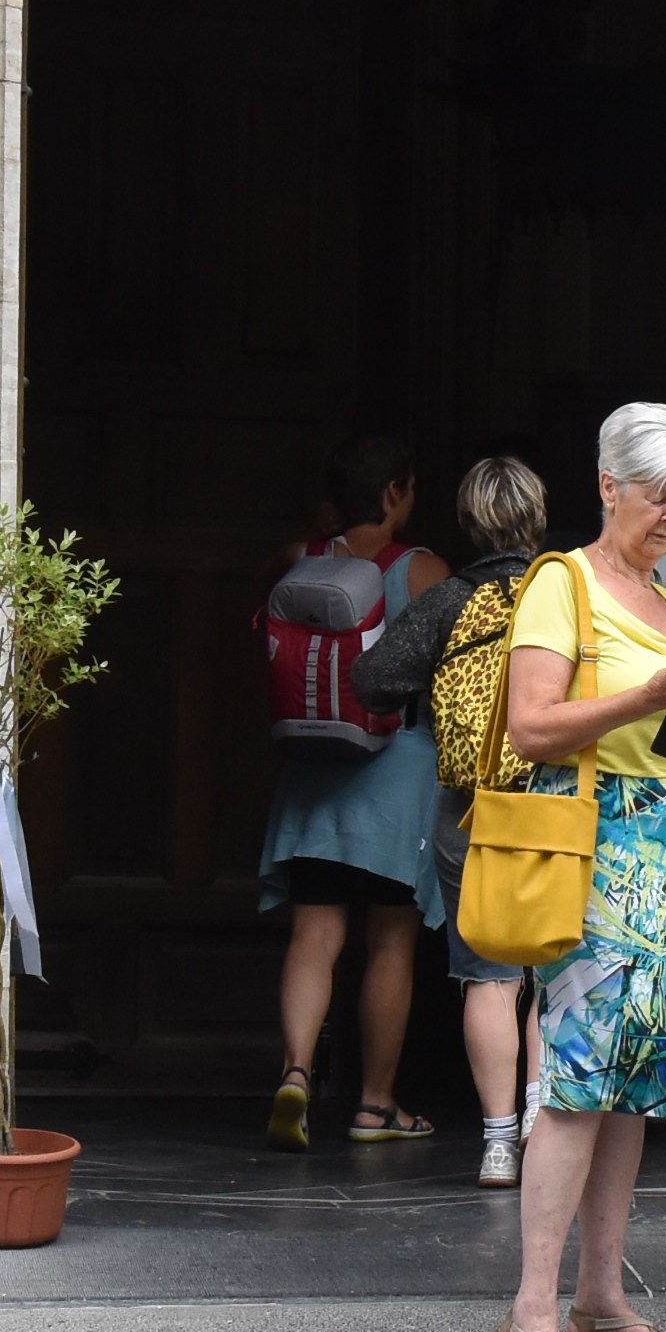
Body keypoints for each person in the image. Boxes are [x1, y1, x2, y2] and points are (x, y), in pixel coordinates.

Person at [491, 403, 666, 1332]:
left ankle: (600, 1300)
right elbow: (531, 726)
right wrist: (649, 698)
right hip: (595, 853)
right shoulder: (564, 586)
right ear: (606, 487)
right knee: (575, 1081)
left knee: (636, 1080)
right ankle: (530, 1312)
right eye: (658, 500)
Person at [257, 437, 451, 1153]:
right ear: (397, 492)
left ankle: (297, 1073)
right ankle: (375, 1106)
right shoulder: (423, 570)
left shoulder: (295, 560)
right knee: (391, 942)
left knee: (315, 932)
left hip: (313, 773)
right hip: (397, 775)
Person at [363, 455, 552, 1188]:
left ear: (468, 524)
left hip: (469, 804)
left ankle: (498, 1141)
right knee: (557, 968)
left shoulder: (448, 600)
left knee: (488, 976)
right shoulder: (564, 595)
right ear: (537, 519)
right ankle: (543, 1112)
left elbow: (374, 683)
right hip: (557, 798)